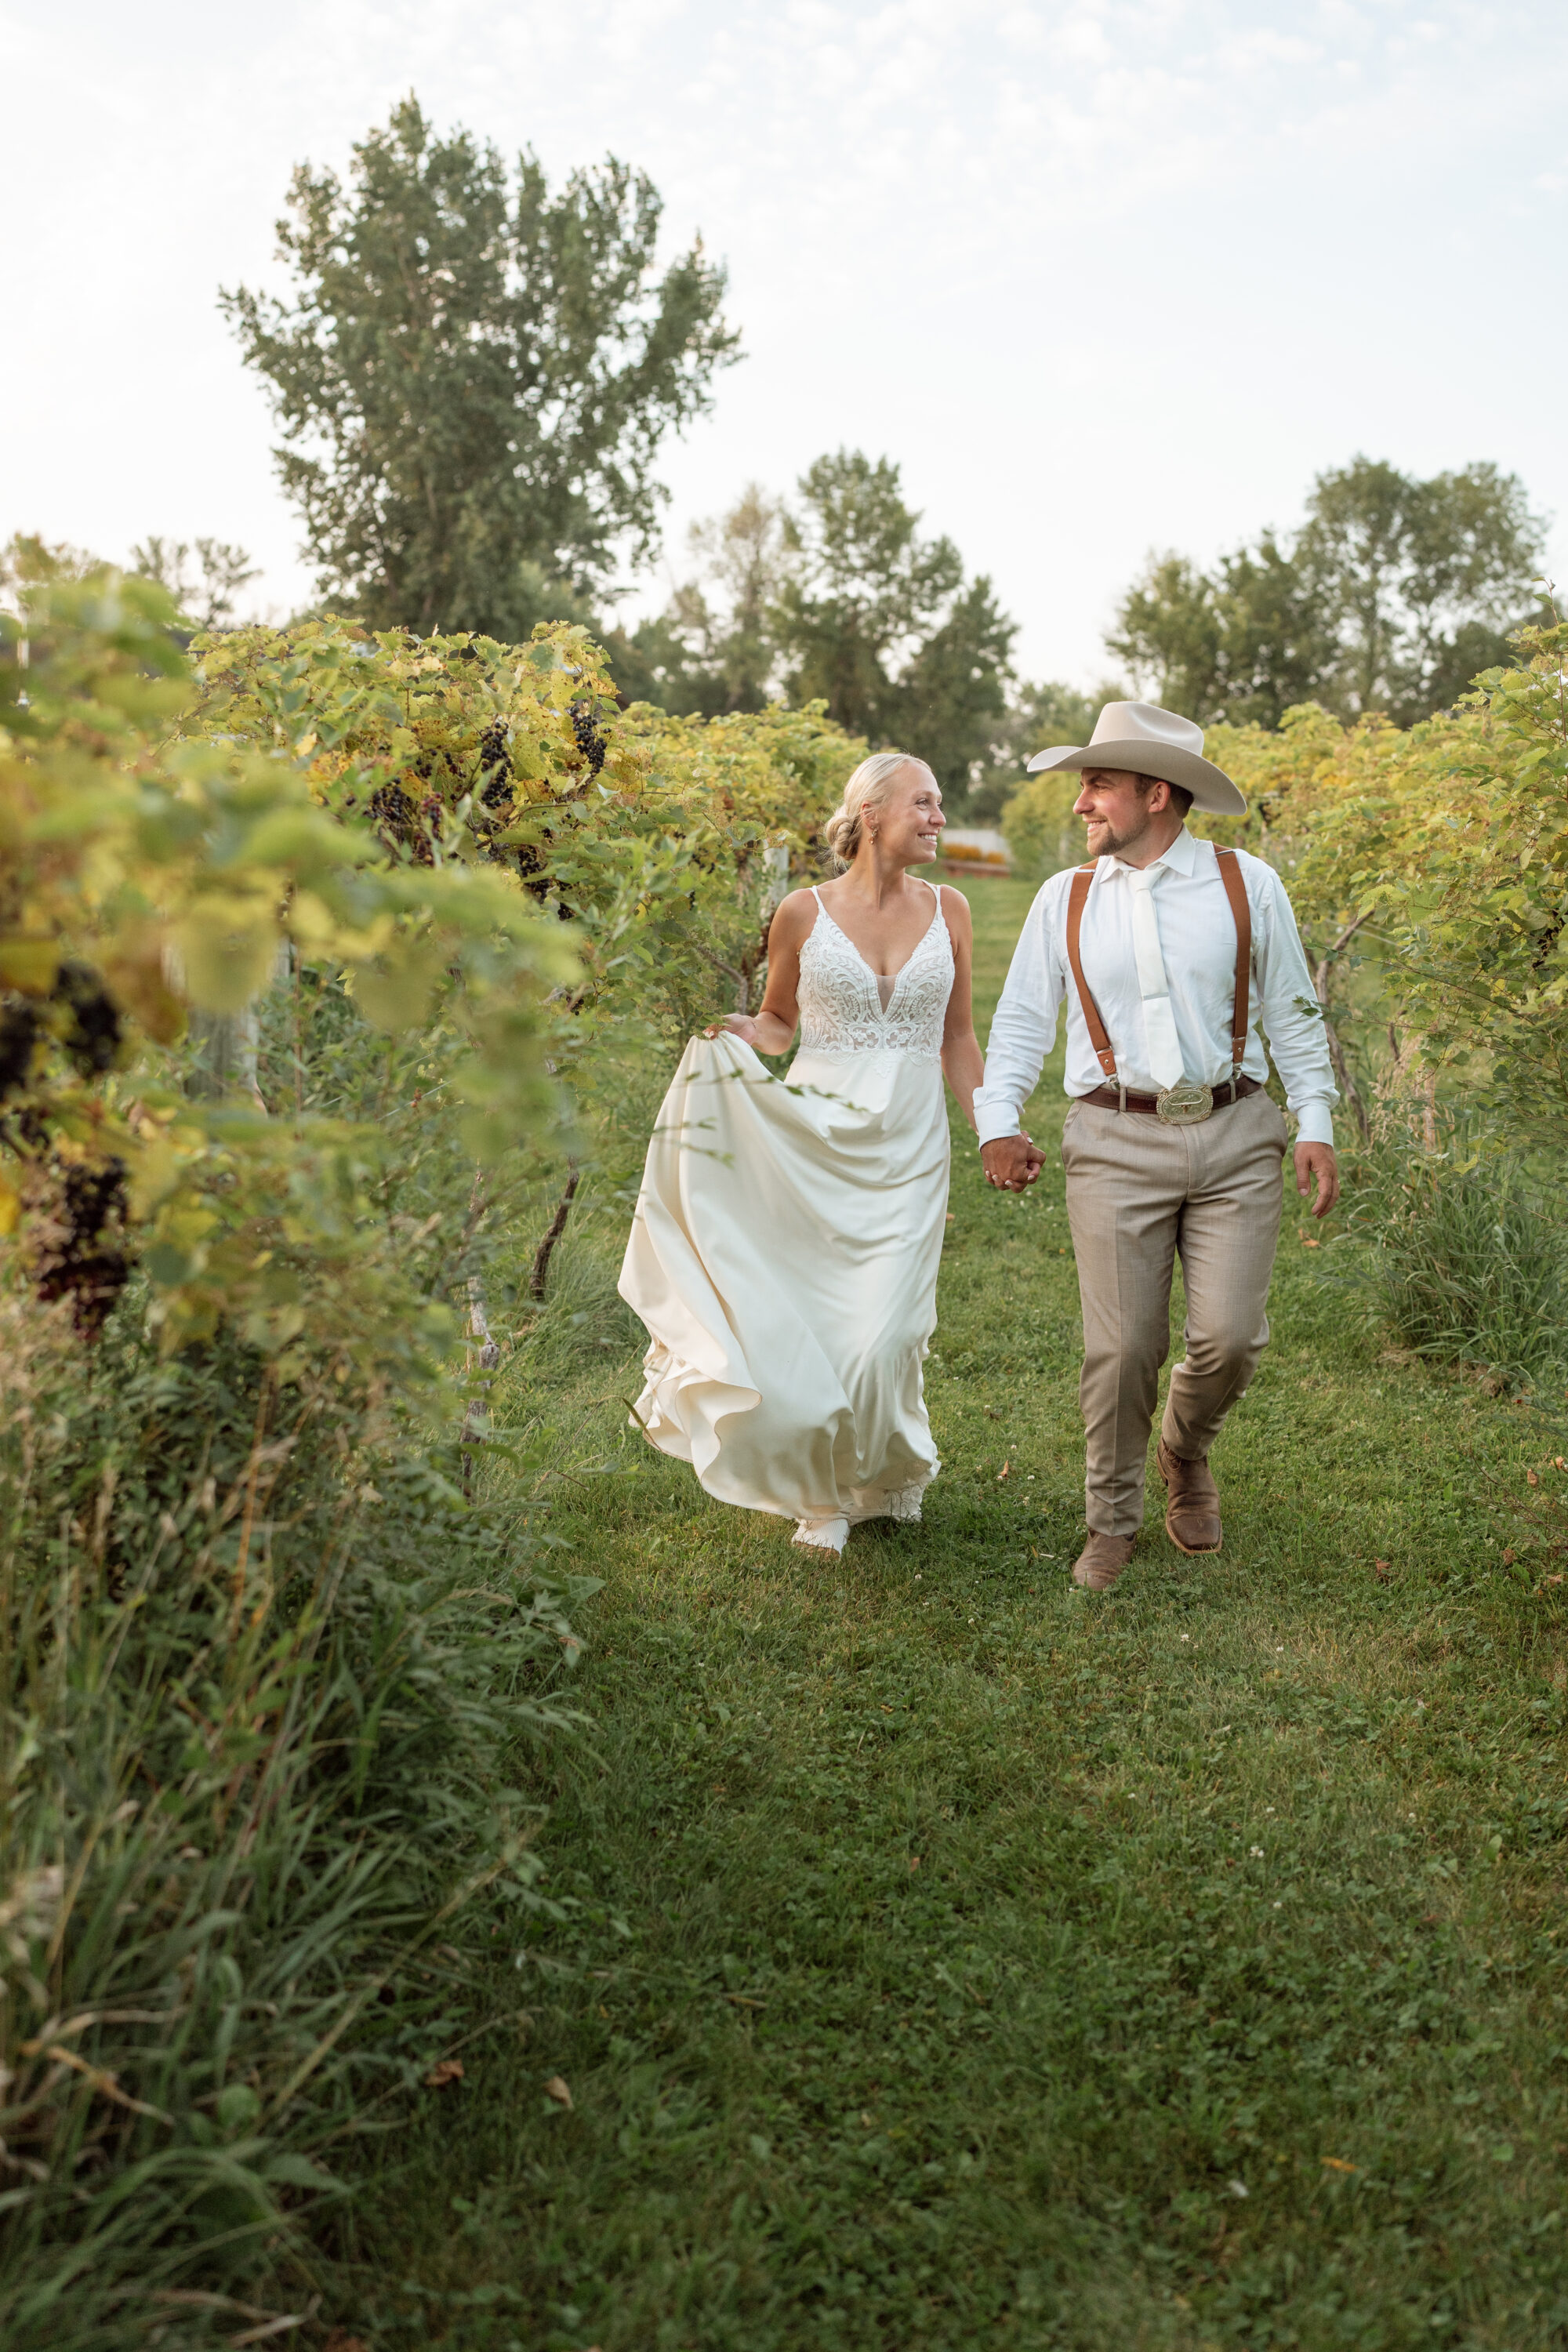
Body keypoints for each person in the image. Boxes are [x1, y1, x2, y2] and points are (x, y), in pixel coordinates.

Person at [974, 702, 1339, 1592]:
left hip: (1236, 1132)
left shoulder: (1245, 883)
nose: (1080, 805)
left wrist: (1316, 1120)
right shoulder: (1062, 898)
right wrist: (997, 1118)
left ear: (1157, 792)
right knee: (1124, 1347)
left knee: (1229, 1340)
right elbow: (1022, 1018)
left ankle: (1182, 1448)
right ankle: (1110, 1518)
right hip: (1111, 1137)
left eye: (1096, 785)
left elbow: (1290, 1006)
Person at [619, 753, 983, 1554]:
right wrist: (743, 1032)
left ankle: (874, 1473)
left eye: (939, 803)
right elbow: (779, 1021)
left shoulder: (950, 908)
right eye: (924, 802)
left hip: (911, 1141)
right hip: (813, 1134)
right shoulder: (800, 913)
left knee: (885, 1331)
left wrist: (993, 1127)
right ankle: (819, 1495)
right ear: (873, 812)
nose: (937, 817)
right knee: (814, 1314)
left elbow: (958, 1036)